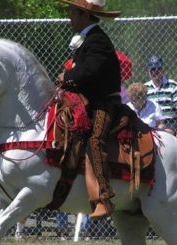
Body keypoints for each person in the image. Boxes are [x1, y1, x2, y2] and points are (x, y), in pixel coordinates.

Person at [56, 0, 122, 220]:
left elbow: (89, 71)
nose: (69, 17)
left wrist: (68, 76)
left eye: (72, 12)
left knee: (95, 140)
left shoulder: (98, 40)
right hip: (88, 102)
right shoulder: (88, 39)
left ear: (83, 14)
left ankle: (104, 197)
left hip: (104, 103)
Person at [144, 55, 177, 140]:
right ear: (148, 71)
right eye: (152, 69)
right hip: (151, 122)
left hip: (169, 123)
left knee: (165, 134)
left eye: (158, 69)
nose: (155, 72)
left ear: (162, 69)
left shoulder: (172, 85)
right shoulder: (145, 88)